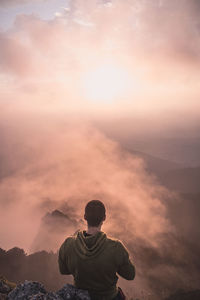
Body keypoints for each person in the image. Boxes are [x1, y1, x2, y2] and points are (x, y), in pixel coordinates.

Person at [58, 200, 135, 300]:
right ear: (104, 218)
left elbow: (63, 270)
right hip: (109, 297)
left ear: (85, 217)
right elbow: (130, 275)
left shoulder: (68, 244)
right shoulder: (116, 247)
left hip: (81, 297)